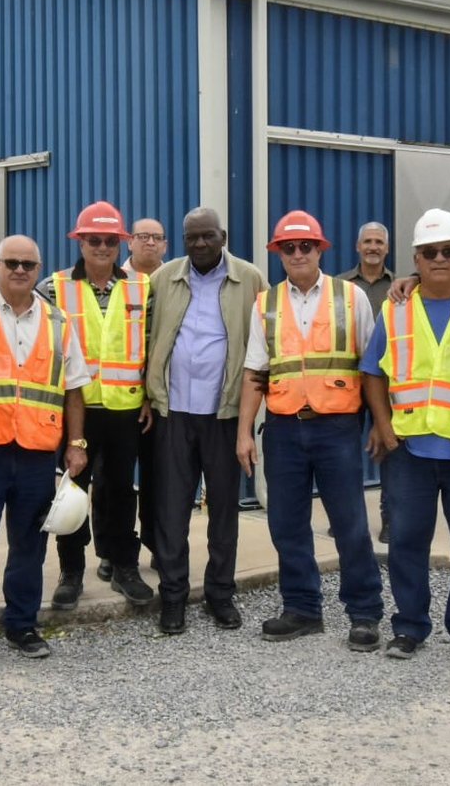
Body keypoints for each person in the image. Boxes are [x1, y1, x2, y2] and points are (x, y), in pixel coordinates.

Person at [237, 210, 384, 650]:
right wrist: (245, 432)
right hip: (283, 429)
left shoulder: (352, 297)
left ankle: (364, 613)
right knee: (286, 523)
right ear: (278, 253)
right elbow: (254, 372)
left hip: (337, 427)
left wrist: (380, 423)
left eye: (306, 246)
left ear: (320, 249)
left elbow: (372, 367)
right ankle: (302, 608)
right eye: (288, 247)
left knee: (350, 523)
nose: (297, 253)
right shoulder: (266, 303)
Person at [363, 209, 450, 664]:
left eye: (448, 251)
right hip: (411, 450)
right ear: (416, 260)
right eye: (428, 252)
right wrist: (383, 427)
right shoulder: (395, 308)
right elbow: (372, 373)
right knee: (405, 541)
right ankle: (409, 627)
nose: (439, 259)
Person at [0, 235, 91, 662]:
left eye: (28, 264)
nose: (20, 270)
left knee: (30, 545)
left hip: (36, 450)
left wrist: (77, 444)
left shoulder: (58, 322)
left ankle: (22, 625)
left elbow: (75, 390)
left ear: (38, 269)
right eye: (11, 262)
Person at [146, 207, 267, 634]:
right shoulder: (164, 279)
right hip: (174, 413)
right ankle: (173, 597)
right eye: (191, 237)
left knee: (223, 512)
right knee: (171, 510)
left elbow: (265, 342)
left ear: (223, 236)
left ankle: (220, 595)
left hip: (223, 414)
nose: (199, 244)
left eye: (207, 236)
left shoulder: (250, 279)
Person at [40, 201, 154, 610]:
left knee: (121, 492)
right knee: (73, 491)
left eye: (110, 240)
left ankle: (124, 565)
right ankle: (72, 572)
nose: (102, 247)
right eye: (94, 240)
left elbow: (153, 347)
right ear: (81, 242)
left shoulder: (141, 286)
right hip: (77, 410)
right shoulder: (54, 287)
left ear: (120, 243)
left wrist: (151, 398)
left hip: (126, 410)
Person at [107, 216, 166, 578]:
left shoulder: (171, 282)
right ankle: (113, 552)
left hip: (155, 399)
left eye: (156, 238)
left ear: (165, 245)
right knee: (113, 482)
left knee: (158, 479)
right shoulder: (114, 280)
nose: (149, 243)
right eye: (142, 236)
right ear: (130, 242)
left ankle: (159, 545)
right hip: (112, 400)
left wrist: (151, 393)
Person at [338, 220, 395, 544]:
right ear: (358, 247)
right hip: (348, 383)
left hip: (388, 384)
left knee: (389, 450)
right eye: (368, 242)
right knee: (345, 454)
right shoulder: (341, 286)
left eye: (378, 242)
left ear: (386, 248)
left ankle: (390, 517)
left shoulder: (402, 287)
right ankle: (348, 515)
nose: (373, 247)